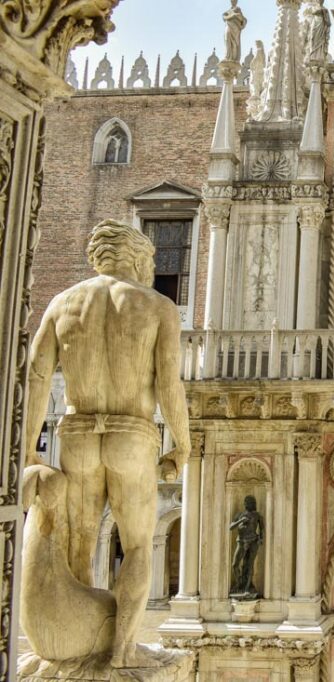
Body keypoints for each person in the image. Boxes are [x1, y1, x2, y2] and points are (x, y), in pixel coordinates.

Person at [25, 220, 191, 667]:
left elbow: (37, 375)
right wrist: (181, 442)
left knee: (79, 543)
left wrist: (27, 445)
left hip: (76, 431)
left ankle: (75, 646)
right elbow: (169, 383)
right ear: (137, 258)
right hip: (132, 433)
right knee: (137, 544)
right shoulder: (157, 307)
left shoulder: (62, 303)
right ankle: (121, 652)